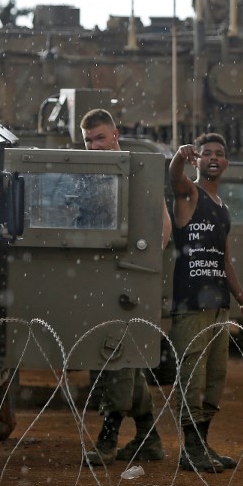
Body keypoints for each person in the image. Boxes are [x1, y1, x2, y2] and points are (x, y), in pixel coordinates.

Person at [79, 108, 171, 466]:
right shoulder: (88, 175)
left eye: (100, 138)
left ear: (115, 134)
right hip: (101, 280)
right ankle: (149, 437)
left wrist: (141, 268)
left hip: (130, 279)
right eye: (88, 141)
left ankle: (108, 437)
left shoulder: (137, 170)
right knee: (123, 358)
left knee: (115, 359)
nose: (94, 146)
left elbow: (163, 226)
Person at [169, 133, 243, 472]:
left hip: (219, 305)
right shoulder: (189, 195)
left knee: (214, 378)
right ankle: (190, 449)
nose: (213, 158)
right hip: (191, 303)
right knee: (192, 375)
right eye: (206, 153)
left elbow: (225, 261)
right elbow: (175, 179)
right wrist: (179, 156)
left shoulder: (223, 209)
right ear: (198, 160)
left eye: (219, 154)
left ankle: (202, 442)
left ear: (226, 163)